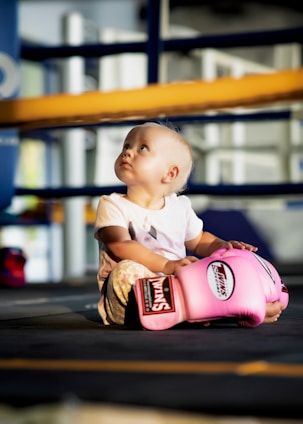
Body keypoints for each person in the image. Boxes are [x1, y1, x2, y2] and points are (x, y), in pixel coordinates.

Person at [94, 122, 285, 327]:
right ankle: (214, 312)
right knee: (125, 271)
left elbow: (199, 239)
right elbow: (120, 245)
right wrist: (167, 266)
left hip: (182, 287)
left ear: (170, 173)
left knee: (216, 274)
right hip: (133, 297)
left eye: (142, 148)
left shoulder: (180, 207)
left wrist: (220, 247)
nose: (128, 152)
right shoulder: (113, 204)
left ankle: (239, 306)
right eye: (126, 146)